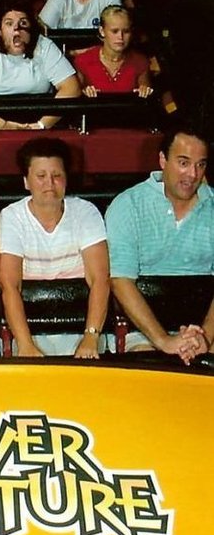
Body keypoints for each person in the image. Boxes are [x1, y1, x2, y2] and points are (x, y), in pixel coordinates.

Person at [105, 124, 214, 363]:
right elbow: (120, 281)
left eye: (200, 165)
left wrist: (205, 336)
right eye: (184, 163)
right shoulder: (128, 205)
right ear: (163, 160)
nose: (193, 174)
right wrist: (164, 340)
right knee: (150, 370)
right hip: (143, 331)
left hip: (205, 328)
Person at [0, 138, 109, 357]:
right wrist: (25, 344)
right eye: (41, 176)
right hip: (31, 328)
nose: (49, 183)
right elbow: (9, 285)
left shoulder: (85, 212)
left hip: (81, 325)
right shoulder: (11, 216)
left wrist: (90, 336)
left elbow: (100, 279)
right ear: (26, 181)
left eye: (56, 175)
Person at [0, 0, 80, 130]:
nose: (17, 30)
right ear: (0, 29)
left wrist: (42, 125)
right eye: (9, 23)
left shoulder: (44, 46)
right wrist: (1, 125)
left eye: (23, 23)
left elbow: (71, 88)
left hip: (41, 122)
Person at [74, 5, 152, 97]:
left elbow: (146, 96)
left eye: (126, 31)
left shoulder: (140, 62)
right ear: (102, 31)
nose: (120, 37)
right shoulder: (83, 61)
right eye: (114, 31)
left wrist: (144, 92)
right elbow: (75, 96)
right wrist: (84, 94)